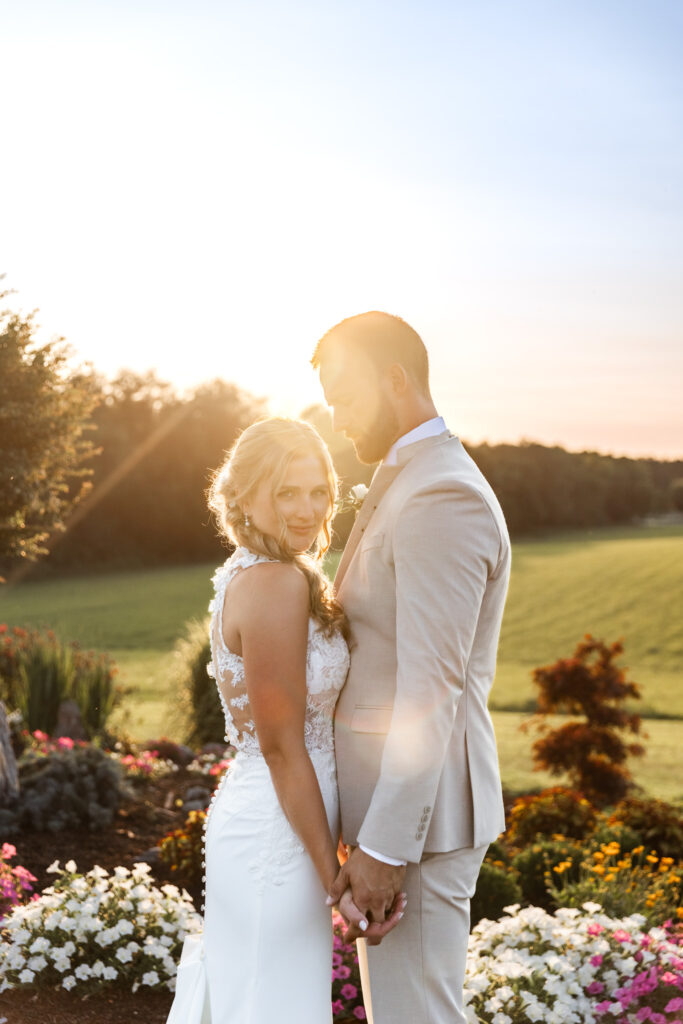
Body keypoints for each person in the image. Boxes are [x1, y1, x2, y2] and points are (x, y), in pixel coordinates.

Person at [166, 417, 403, 1024]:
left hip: (276, 816)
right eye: (285, 492)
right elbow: (282, 748)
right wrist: (337, 883)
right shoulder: (273, 583)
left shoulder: (260, 571)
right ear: (244, 497)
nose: (306, 509)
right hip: (279, 831)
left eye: (318, 490)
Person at [312, 312, 511, 1024]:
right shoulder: (409, 479)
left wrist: (386, 846)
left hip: (419, 828)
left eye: (343, 396)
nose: (335, 418)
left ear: (394, 380)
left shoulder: (440, 495)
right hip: (398, 819)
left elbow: (432, 688)